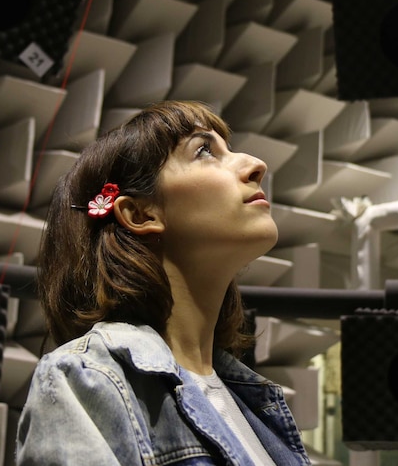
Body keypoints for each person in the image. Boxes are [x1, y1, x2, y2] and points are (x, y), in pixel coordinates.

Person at [16, 100, 310, 465]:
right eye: (204, 151)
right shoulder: (86, 380)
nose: (256, 165)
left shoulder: (254, 404)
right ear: (140, 213)